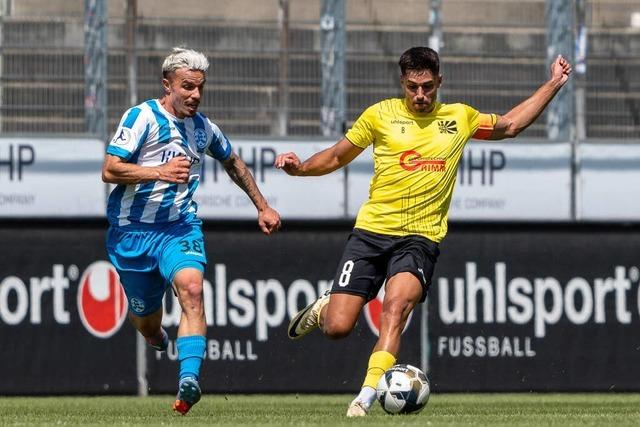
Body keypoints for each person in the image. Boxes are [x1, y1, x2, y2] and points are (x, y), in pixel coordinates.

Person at [275, 46, 572, 417]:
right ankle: (325, 308)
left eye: (428, 87)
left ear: (439, 82)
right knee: (337, 327)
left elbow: (511, 125)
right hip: (371, 233)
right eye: (413, 87)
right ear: (402, 83)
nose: (420, 95)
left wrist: (555, 83)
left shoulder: (458, 118)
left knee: (396, 308)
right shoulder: (380, 115)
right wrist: (300, 168)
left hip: (420, 238)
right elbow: (337, 156)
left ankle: (365, 397)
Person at [102, 47, 281, 415]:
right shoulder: (141, 118)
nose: (195, 95)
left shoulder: (203, 128)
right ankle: (154, 333)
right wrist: (158, 172)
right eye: (187, 87)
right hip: (131, 233)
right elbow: (110, 169)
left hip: (179, 227)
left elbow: (232, 161)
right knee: (146, 320)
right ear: (167, 85)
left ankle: (188, 381)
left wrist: (262, 206)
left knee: (192, 289)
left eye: (200, 88)